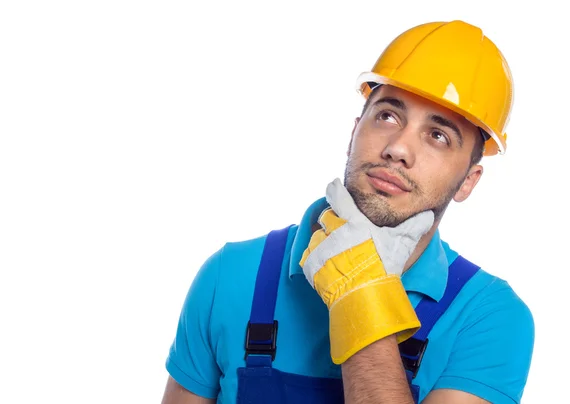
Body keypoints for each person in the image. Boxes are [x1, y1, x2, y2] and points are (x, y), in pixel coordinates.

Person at [161, 20, 535, 404]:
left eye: (438, 136)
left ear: (468, 181)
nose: (398, 149)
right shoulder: (231, 275)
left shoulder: (489, 318)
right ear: (354, 132)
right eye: (388, 116)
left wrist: (361, 293)